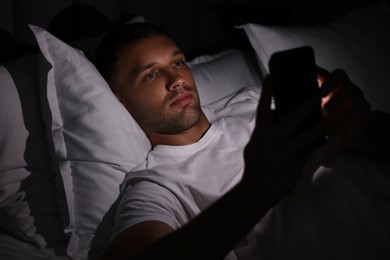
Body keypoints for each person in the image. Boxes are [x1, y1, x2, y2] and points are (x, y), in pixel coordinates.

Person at [93, 22, 390, 260]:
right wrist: (258, 189)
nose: (177, 79)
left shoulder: (253, 99)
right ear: (120, 101)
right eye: (152, 74)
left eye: (179, 62)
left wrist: (359, 130)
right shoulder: (156, 183)